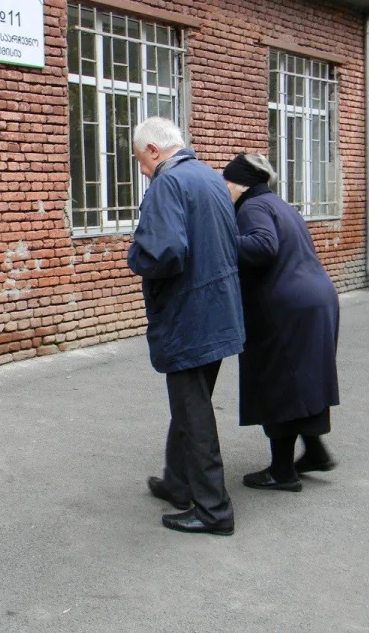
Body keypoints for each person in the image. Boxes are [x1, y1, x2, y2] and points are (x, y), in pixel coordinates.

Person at [127, 117, 245, 534]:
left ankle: (214, 511)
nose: (143, 170)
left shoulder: (167, 183)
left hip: (188, 316)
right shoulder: (210, 178)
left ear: (154, 150)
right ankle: (177, 482)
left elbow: (165, 254)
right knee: (190, 403)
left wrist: (134, 255)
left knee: (194, 413)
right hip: (217, 311)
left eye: (141, 160)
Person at [221, 153, 340, 492]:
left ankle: (282, 472)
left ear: (242, 185)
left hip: (286, 307)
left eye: (226, 183)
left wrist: (219, 240)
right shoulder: (279, 204)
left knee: (277, 380)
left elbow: (263, 246)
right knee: (302, 378)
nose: (223, 189)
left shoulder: (253, 208)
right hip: (316, 299)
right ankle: (315, 452)